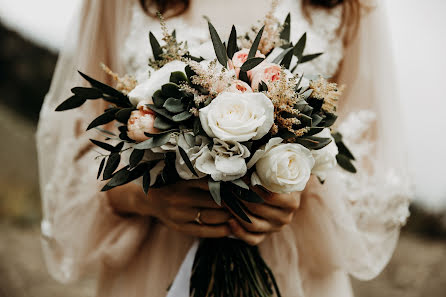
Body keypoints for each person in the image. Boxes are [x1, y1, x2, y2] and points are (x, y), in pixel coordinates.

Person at [36, 0, 412, 296]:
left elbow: (370, 154)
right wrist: (142, 195)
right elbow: (78, 140)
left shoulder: (344, 5)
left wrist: (298, 181)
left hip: (294, 270)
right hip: (153, 262)